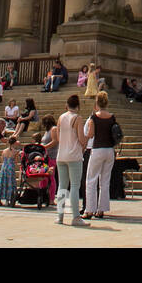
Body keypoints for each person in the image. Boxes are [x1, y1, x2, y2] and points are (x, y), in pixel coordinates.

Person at [53, 95, 88, 226]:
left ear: (67, 105)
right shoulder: (77, 118)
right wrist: (87, 138)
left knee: (62, 186)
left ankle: (60, 216)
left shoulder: (61, 118)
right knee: (74, 186)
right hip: (74, 155)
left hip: (61, 155)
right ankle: (76, 217)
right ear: (78, 106)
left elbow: (58, 137)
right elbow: (81, 138)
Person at [84, 92, 118, 220]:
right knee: (105, 181)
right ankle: (101, 209)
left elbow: (91, 134)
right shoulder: (112, 117)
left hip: (98, 149)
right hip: (109, 150)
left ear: (97, 103)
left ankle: (89, 210)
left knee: (91, 179)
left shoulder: (94, 118)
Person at [0, 135, 19, 206]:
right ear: (14, 143)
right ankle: (8, 200)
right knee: (10, 183)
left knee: (2, 183)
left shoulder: (4, 151)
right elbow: (16, 161)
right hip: (10, 167)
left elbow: (2, 160)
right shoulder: (15, 151)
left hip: (4, 167)